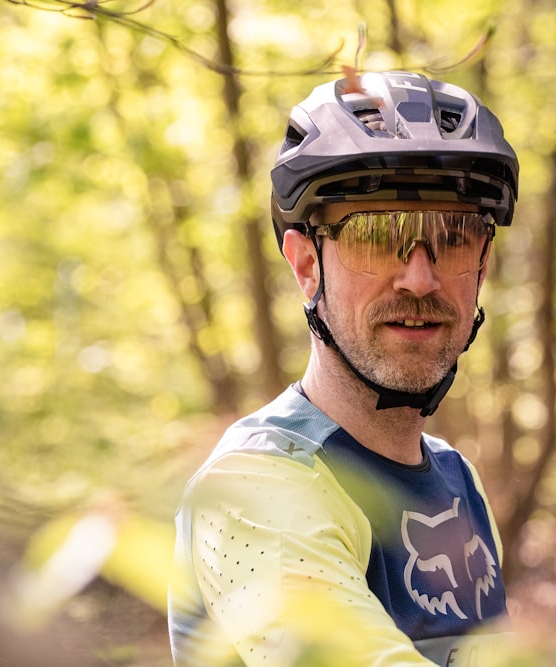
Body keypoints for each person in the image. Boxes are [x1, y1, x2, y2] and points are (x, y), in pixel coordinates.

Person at [168, 69, 519, 666]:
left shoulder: (458, 480)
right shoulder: (254, 488)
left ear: (482, 266)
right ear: (307, 264)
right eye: (376, 236)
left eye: (454, 237)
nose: (419, 279)